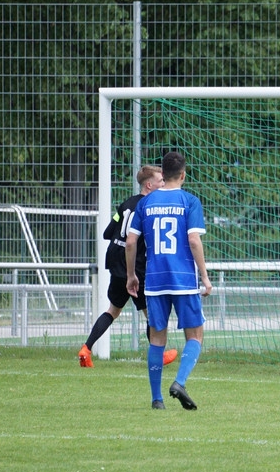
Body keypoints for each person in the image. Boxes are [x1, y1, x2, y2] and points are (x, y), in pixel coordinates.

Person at [126, 150, 212, 411]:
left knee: (157, 338)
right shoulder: (189, 201)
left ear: (162, 174)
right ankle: (180, 382)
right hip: (183, 280)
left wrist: (131, 275)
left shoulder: (146, 202)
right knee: (195, 335)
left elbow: (130, 242)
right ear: (183, 175)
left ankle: (157, 399)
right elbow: (194, 240)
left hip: (154, 280)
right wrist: (204, 276)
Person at [78, 165, 178, 368]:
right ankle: (159, 355)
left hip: (115, 261)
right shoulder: (150, 207)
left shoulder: (126, 204)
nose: (163, 184)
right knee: (151, 313)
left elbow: (108, 232)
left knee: (113, 310)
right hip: (134, 265)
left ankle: (86, 349)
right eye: (160, 181)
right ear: (149, 185)